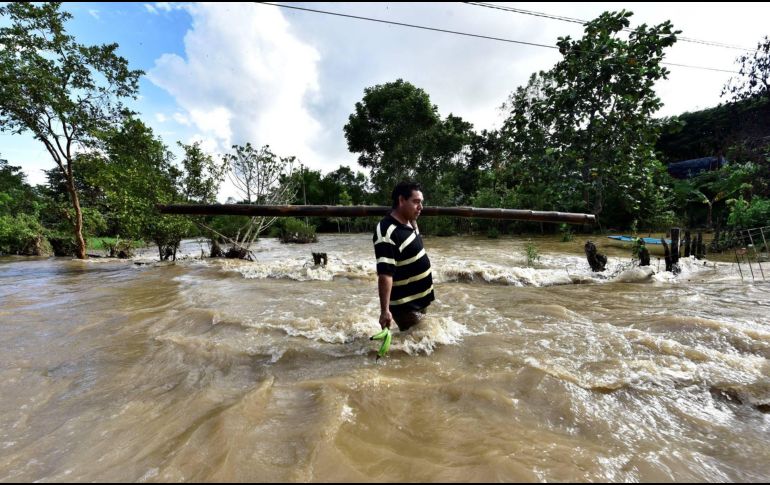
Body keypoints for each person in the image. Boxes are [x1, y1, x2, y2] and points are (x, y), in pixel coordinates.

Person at [373, 181, 434, 331]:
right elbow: (385, 274)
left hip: (419, 301)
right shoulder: (386, 232)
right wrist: (385, 311)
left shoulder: (410, 221)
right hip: (405, 306)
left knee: (417, 344)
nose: (421, 207)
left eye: (421, 202)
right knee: (419, 347)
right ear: (401, 200)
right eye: (416, 202)